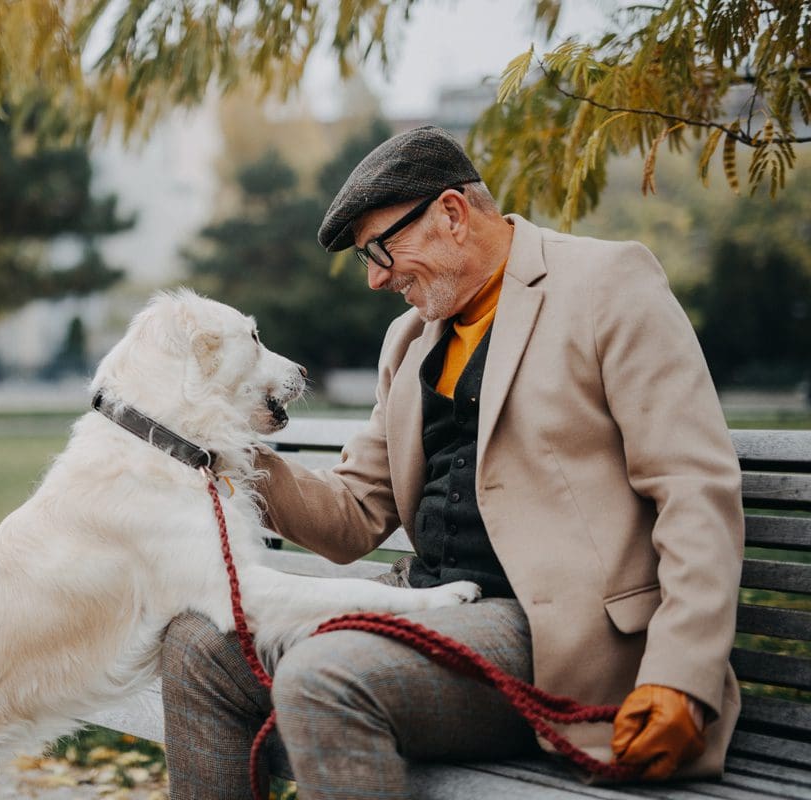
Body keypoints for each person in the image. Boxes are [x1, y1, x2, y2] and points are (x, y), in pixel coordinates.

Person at [160, 125, 744, 799]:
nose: (377, 278)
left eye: (381, 249)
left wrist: (681, 675)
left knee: (324, 675)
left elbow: (693, 489)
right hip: (433, 609)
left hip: (554, 635)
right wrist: (221, 445)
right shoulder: (409, 340)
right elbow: (351, 517)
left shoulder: (608, 284)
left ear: (451, 214)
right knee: (198, 648)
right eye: (366, 260)